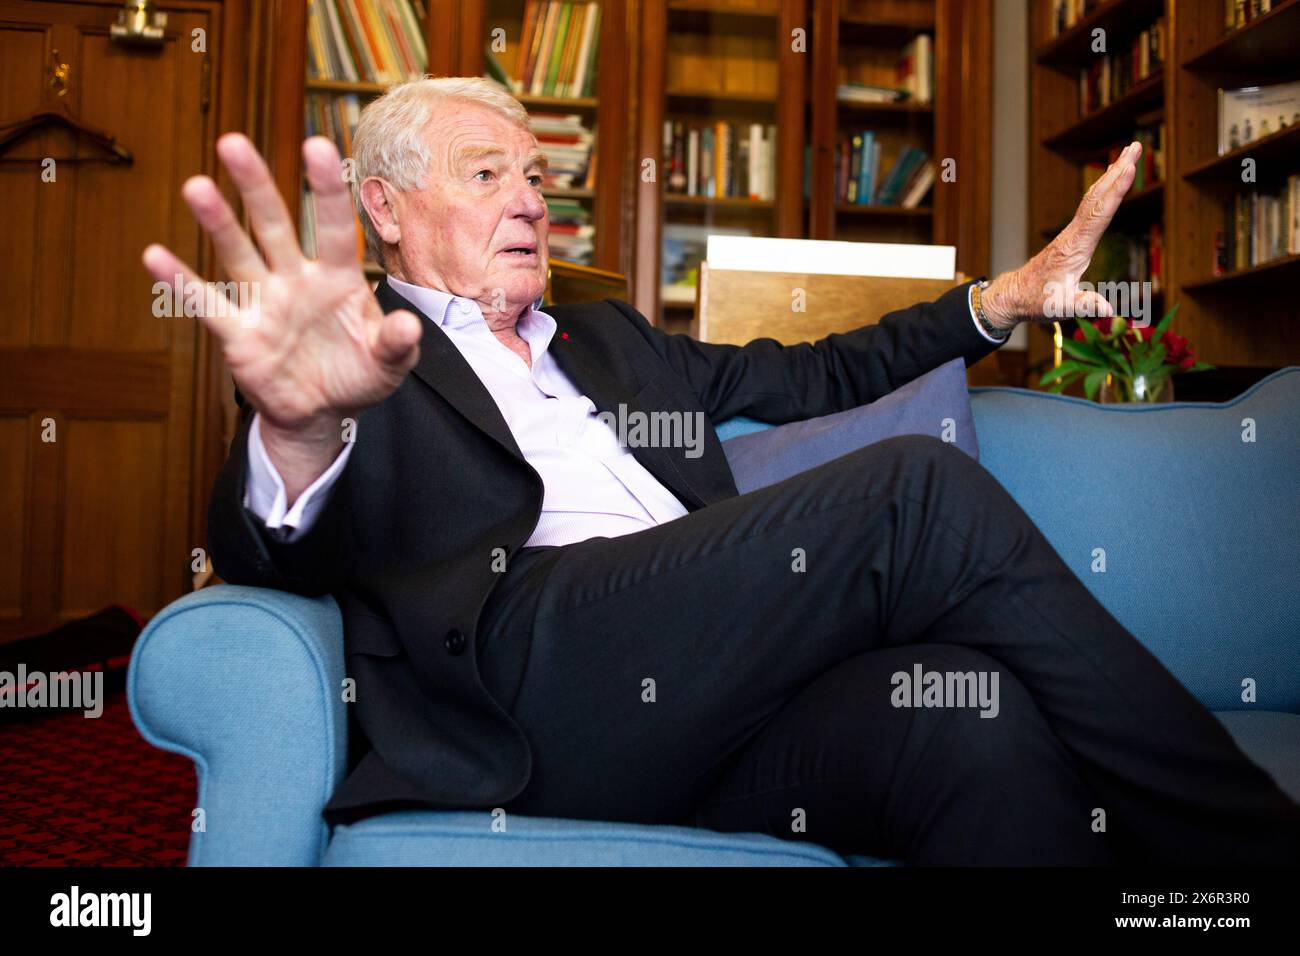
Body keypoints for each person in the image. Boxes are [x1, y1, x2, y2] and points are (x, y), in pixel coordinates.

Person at [142, 76, 1300, 865]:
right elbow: (260, 543)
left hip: (705, 701)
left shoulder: (611, 341)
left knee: (968, 716)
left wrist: (993, 304)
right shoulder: (360, 352)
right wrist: (292, 433)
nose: (529, 203)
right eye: (486, 173)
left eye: (536, 180)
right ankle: (1247, 850)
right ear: (384, 209)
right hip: (530, 681)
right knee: (913, 490)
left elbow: (815, 373)